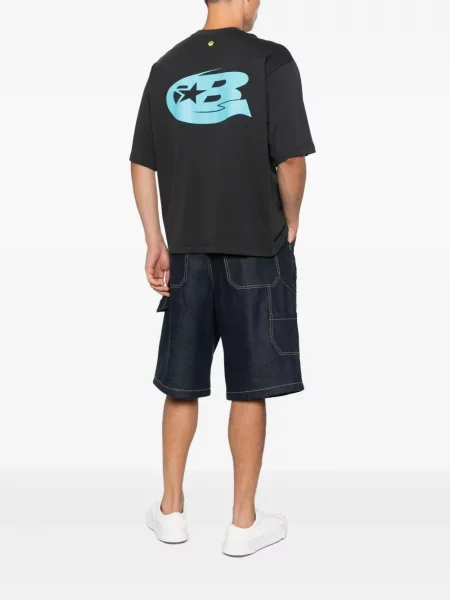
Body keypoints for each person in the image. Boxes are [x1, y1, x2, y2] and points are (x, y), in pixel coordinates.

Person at [130, 0, 315, 557]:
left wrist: (155, 240)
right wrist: (291, 220)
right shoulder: (271, 60)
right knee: (250, 384)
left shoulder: (165, 67)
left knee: (181, 383)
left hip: (186, 252)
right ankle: (242, 523)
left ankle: (171, 511)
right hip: (256, 249)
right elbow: (291, 160)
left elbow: (142, 161)